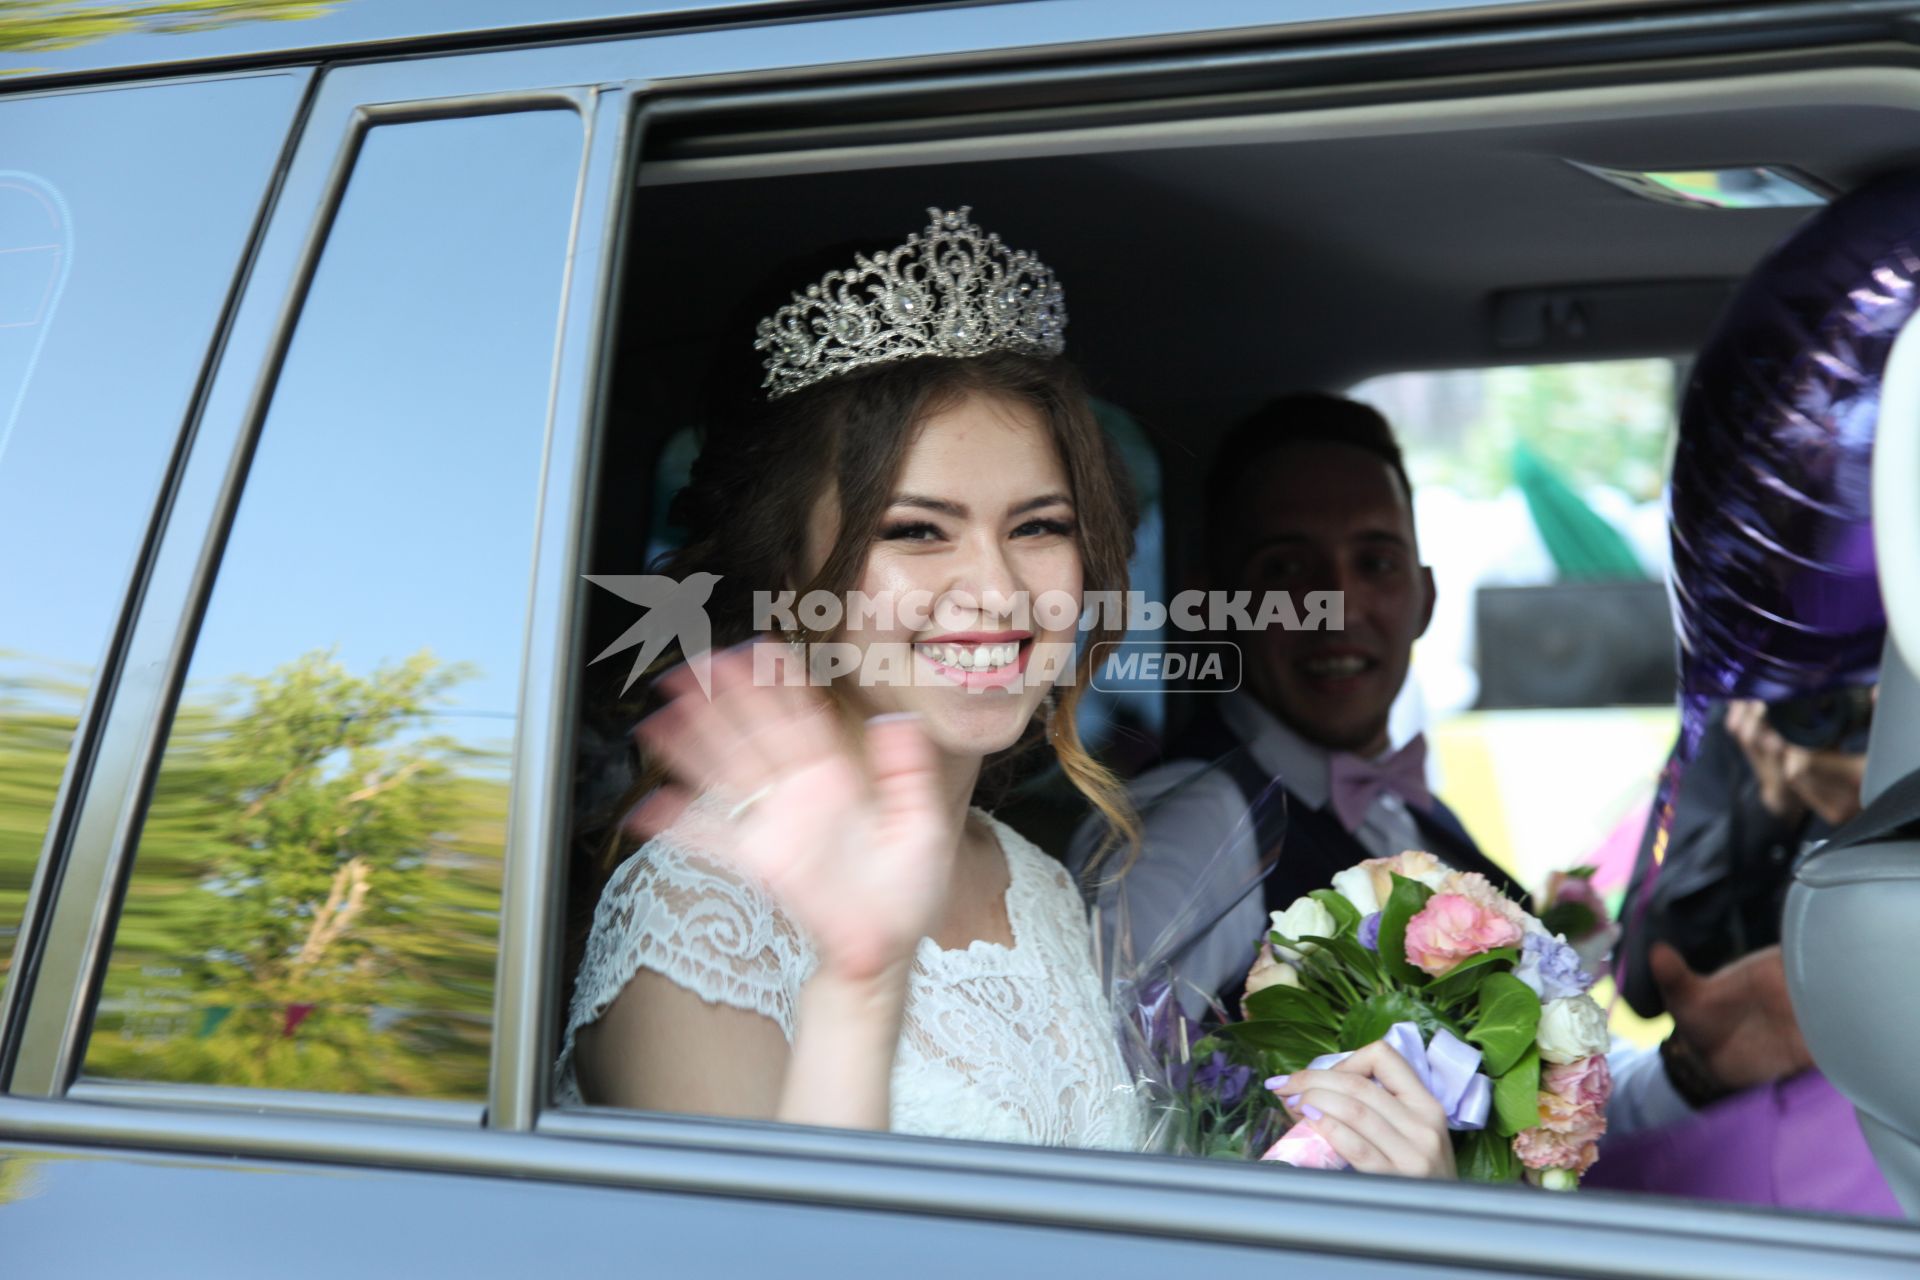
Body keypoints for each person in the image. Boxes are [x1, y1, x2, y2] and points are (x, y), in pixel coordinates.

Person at [556, 211, 1457, 1172]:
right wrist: (859, 989)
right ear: (786, 572)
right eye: (915, 531)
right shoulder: (701, 910)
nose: (997, 593)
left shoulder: (1035, 883)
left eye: (1037, 527)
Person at [1075, 394, 1526, 1015]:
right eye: (1286, 568)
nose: (1337, 604)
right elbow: (1090, 1074)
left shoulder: (1421, 816)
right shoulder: (1199, 828)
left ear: (1424, 598)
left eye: (1376, 562)